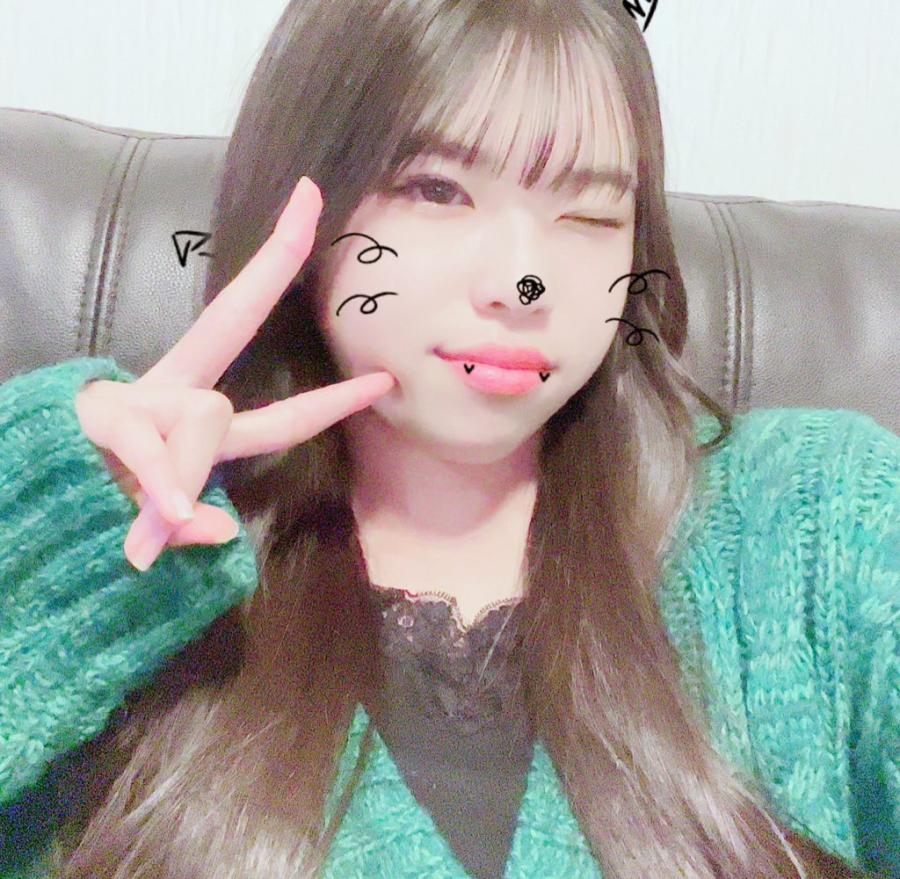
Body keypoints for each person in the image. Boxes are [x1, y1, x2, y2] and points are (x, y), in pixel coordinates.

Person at [0, 1, 896, 877]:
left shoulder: (818, 521)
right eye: (438, 190)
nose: (523, 282)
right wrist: (47, 542)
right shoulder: (127, 546)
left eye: (590, 214)